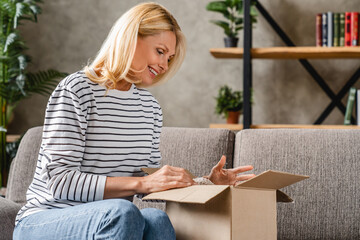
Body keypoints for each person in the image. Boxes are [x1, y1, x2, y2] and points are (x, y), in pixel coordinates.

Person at [13, 2, 255, 239]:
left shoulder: (150, 108)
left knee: (156, 219)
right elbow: (60, 182)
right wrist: (143, 184)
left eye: (169, 58)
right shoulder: (76, 90)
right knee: (122, 211)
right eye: (160, 51)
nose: (164, 65)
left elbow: (145, 182)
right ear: (130, 37)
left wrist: (206, 182)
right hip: (45, 219)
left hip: (108, 219)